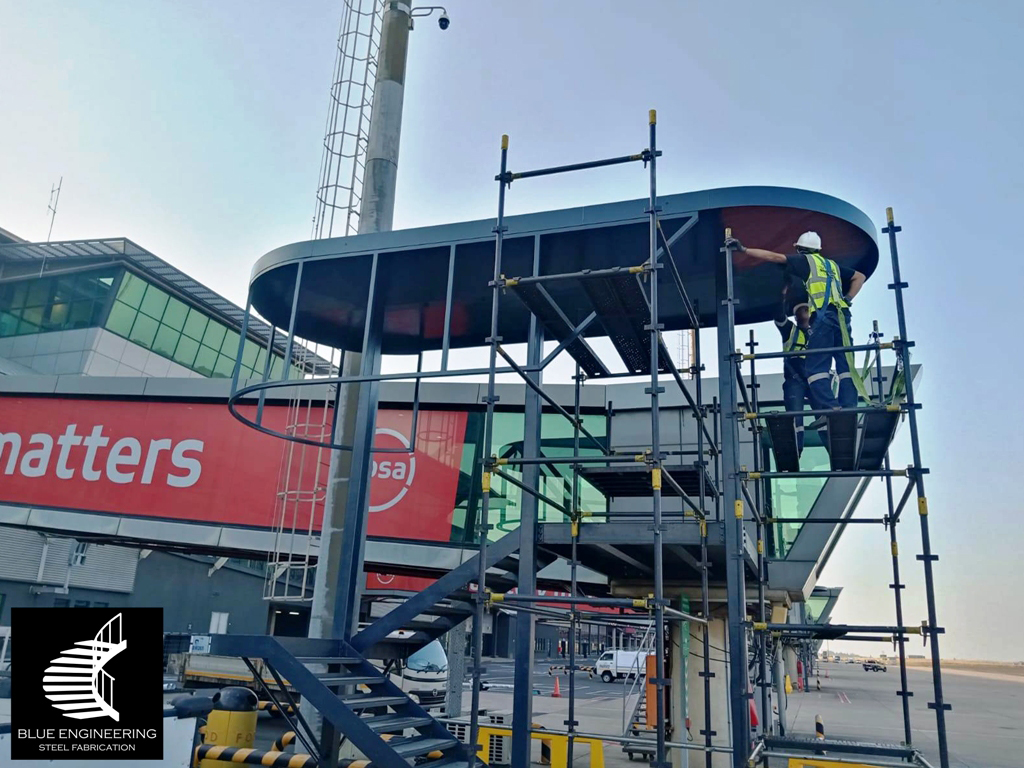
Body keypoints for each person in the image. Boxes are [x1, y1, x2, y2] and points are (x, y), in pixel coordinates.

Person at [726, 231, 866, 412]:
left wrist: (743, 249)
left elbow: (774, 257)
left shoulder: (804, 261)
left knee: (816, 367)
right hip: (843, 317)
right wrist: (847, 299)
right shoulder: (832, 266)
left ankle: (830, 408)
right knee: (845, 365)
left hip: (824, 318)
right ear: (818, 249)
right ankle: (849, 407)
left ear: (800, 249)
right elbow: (859, 277)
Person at [775, 284, 811, 453]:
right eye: (801, 310)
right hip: (794, 379)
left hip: (815, 379)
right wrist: (781, 297)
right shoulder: (790, 330)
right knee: (795, 416)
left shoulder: (819, 333)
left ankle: (833, 448)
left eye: (806, 309)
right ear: (796, 316)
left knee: (825, 414)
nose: (804, 312)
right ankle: (797, 450)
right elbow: (779, 317)